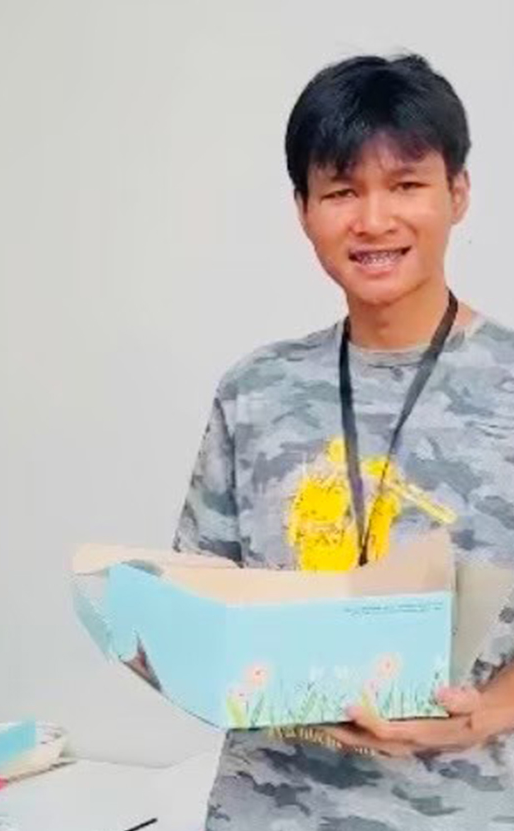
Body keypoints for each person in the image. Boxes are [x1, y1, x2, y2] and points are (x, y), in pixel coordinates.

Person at [174, 54, 514, 830]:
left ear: (458, 193)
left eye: (406, 184)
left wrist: (485, 711)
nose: (373, 219)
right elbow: (200, 599)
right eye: (340, 191)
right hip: (263, 809)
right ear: (303, 209)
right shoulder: (254, 390)